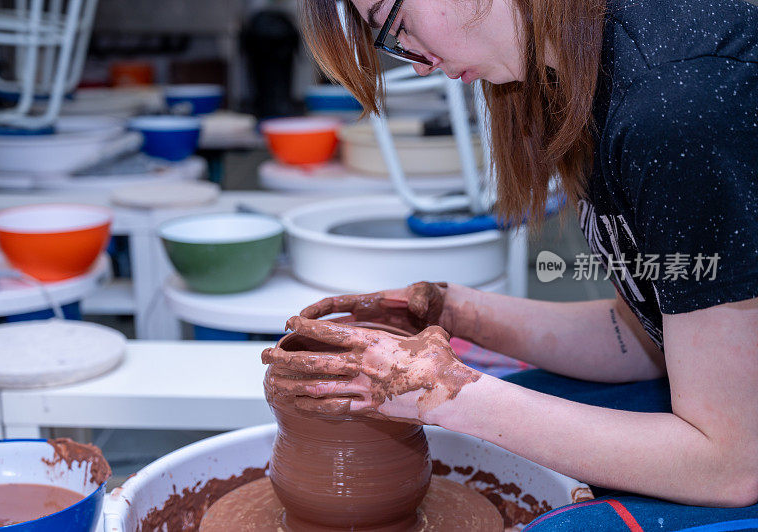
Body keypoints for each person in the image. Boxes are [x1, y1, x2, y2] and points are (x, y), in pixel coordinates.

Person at [262, 0, 758, 528]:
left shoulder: (676, 105)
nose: (417, 63)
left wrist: (441, 394)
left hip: (733, 456)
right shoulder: (582, 67)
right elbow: (645, 335)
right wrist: (452, 312)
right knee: (520, 407)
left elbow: (730, 466)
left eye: (393, 21)